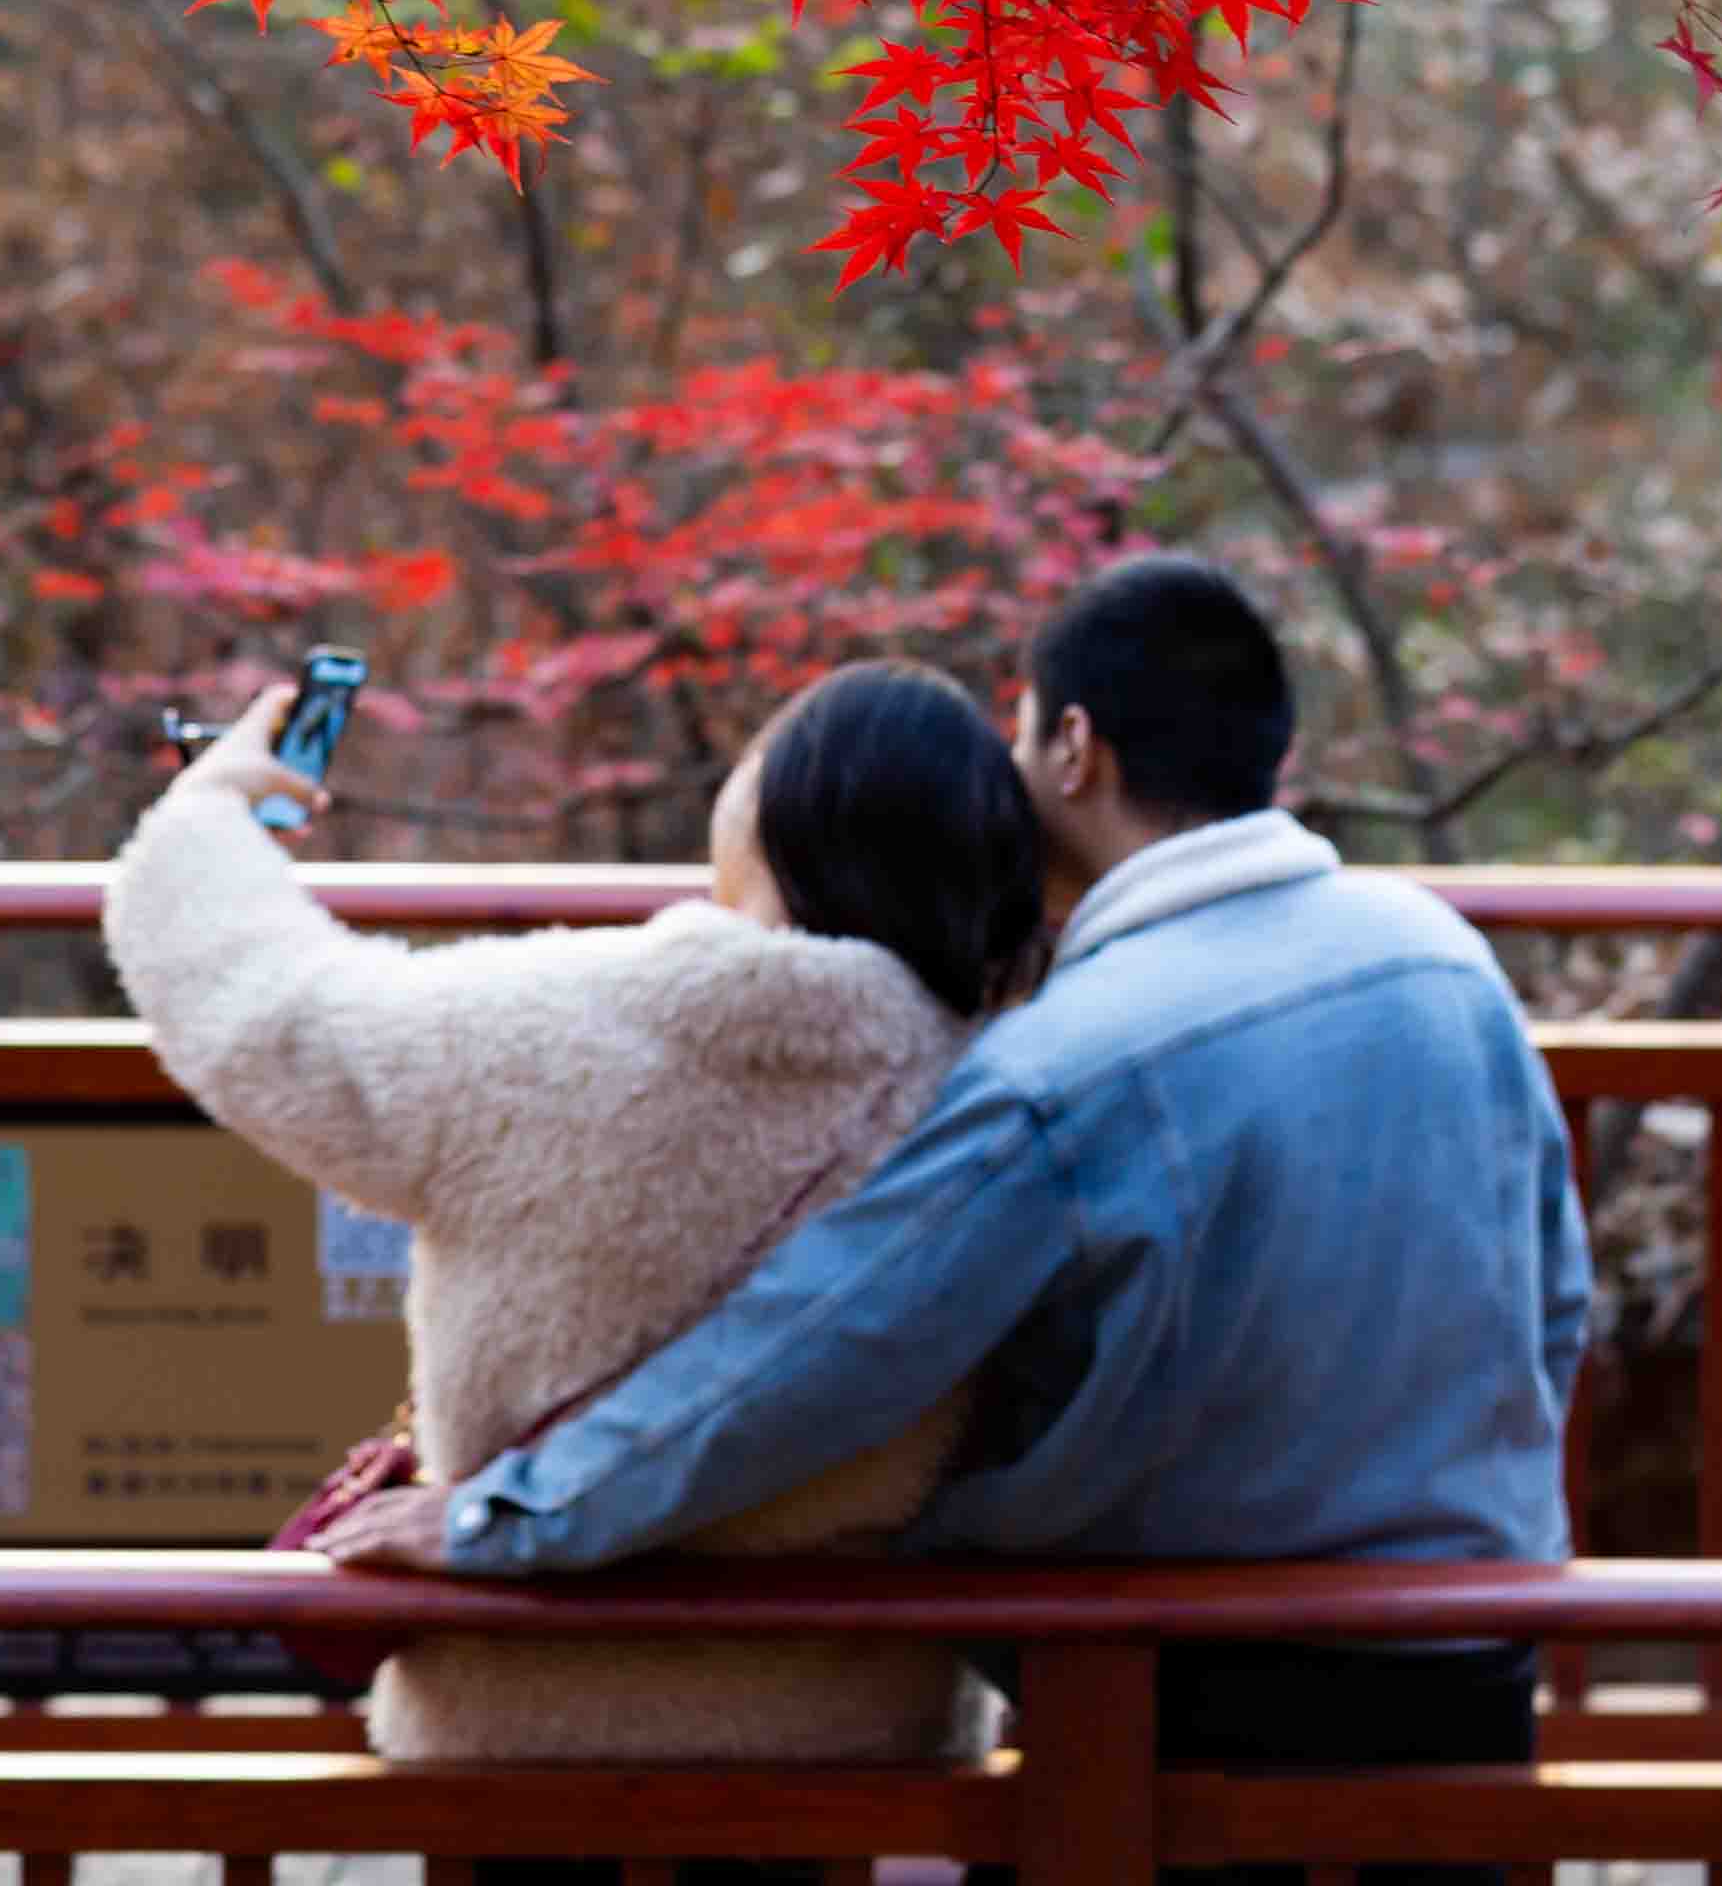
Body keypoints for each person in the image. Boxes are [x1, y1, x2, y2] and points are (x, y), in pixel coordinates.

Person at [315, 554, 1588, 1886]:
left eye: (1021, 734)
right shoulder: (1441, 959)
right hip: (1468, 1665)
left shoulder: (1075, 1062)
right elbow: (1552, 1303)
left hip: (1193, 1699)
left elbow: (818, 1354)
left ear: (1075, 747)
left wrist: (506, 1514)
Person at [106, 655, 1048, 1769]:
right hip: (851, 1723)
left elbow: (269, 1022)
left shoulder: (555, 1027)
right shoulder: (1001, 1086)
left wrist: (207, 816)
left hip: (519, 1708)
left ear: (770, 814)